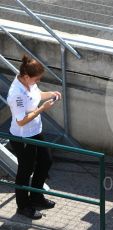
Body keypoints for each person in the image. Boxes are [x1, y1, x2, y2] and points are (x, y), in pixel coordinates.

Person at [7, 55, 61, 219]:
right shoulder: (16, 94)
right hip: (22, 136)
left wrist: (51, 94)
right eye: (36, 79)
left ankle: (36, 196)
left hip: (35, 130)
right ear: (25, 77)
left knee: (46, 161)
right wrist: (41, 109)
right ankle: (22, 206)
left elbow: (37, 95)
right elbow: (21, 121)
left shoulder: (29, 83)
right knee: (25, 170)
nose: (37, 81)